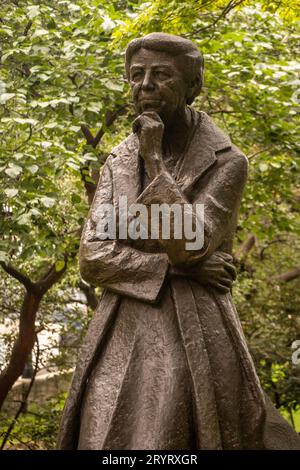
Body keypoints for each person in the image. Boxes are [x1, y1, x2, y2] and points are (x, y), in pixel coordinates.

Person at [58, 33, 300, 450]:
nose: (145, 85)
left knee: (165, 431)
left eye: (162, 75)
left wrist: (153, 160)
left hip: (193, 328)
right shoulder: (117, 159)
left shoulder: (228, 162)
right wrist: (171, 268)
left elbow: (190, 241)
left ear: (193, 86)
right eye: (137, 75)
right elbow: (93, 257)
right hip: (120, 324)